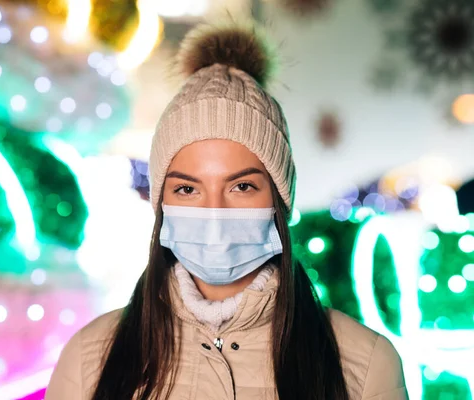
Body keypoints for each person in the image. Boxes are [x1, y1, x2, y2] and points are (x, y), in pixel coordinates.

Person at [45, 22, 407, 400]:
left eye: (242, 186)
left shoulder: (365, 364)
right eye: (187, 188)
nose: (214, 212)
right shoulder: (91, 359)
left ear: (278, 201)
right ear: (161, 204)